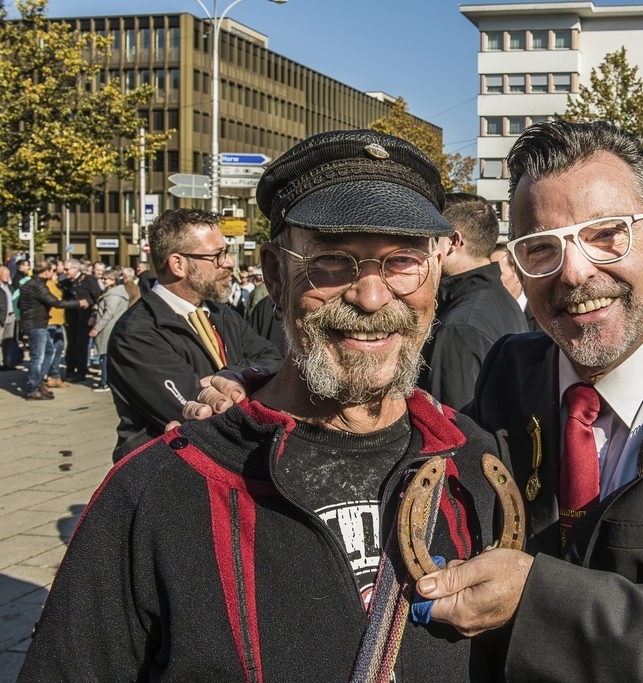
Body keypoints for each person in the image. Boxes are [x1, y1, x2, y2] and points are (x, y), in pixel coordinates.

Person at [194, 121, 643, 682]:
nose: (574, 272)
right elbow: (411, 437)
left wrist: (539, 597)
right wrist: (264, 392)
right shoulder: (513, 370)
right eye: (542, 249)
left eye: (606, 235)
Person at [18, 130, 505, 683]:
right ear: (275, 274)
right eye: (331, 261)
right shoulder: (160, 489)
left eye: (401, 263)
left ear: (435, 273)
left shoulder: (475, 464)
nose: (371, 297)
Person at [105, 208, 283, 461]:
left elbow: (274, 360)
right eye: (217, 255)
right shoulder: (136, 333)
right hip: (163, 472)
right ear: (178, 264)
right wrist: (249, 379)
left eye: (227, 253)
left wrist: (229, 377)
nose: (229, 263)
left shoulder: (221, 313)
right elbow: (200, 412)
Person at [418, 192, 528, 409]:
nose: (426, 250)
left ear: (453, 242)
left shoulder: (458, 328)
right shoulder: (504, 301)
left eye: (432, 238)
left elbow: (451, 429)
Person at [16, 261, 87, 400]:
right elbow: (55, 302)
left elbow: (21, 303)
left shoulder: (28, 284)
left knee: (50, 350)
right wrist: (79, 303)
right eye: (52, 271)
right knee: (37, 357)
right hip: (36, 325)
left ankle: (38, 381)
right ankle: (33, 387)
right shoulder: (38, 285)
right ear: (46, 271)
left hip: (36, 322)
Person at [59, 258, 102, 382]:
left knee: (82, 346)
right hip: (71, 320)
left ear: (75, 269)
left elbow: (98, 297)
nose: (65, 272)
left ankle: (81, 371)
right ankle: (70, 369)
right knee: (71, 345)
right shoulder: (65, 282)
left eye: (67, 269)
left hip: (85, 319)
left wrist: (93, 314)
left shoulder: (88, 280)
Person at [89, 270, 129, 392]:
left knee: (104, 357)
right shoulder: (116, 293)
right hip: (113, 327)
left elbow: (108, 314)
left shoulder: (113, 295)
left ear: (113, 280)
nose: (103, 281)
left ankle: (105, 382)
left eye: (106, 279)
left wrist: (96, 328)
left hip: (108, 328)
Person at [490, 244, 541, 332]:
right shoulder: (487, 315)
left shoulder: (542, 315)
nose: (491, 279)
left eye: (497, 273)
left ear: (518, 273)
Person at [44, 260, 68, 388]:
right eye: (54, 270)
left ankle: (54, 374)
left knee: (59, 347)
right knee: (50, 349)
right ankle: (49, 375)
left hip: (59, 321)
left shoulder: (55, 284)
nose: (56, 273)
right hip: (50, 321)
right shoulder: (46, 285)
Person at [0, 266, 17, 369]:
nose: (8, 276)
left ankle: (7, 362)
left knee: (8, 341)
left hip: (10, 316)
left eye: (9, 274)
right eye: (6, 274)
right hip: (1, 317)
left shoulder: (9, 287)